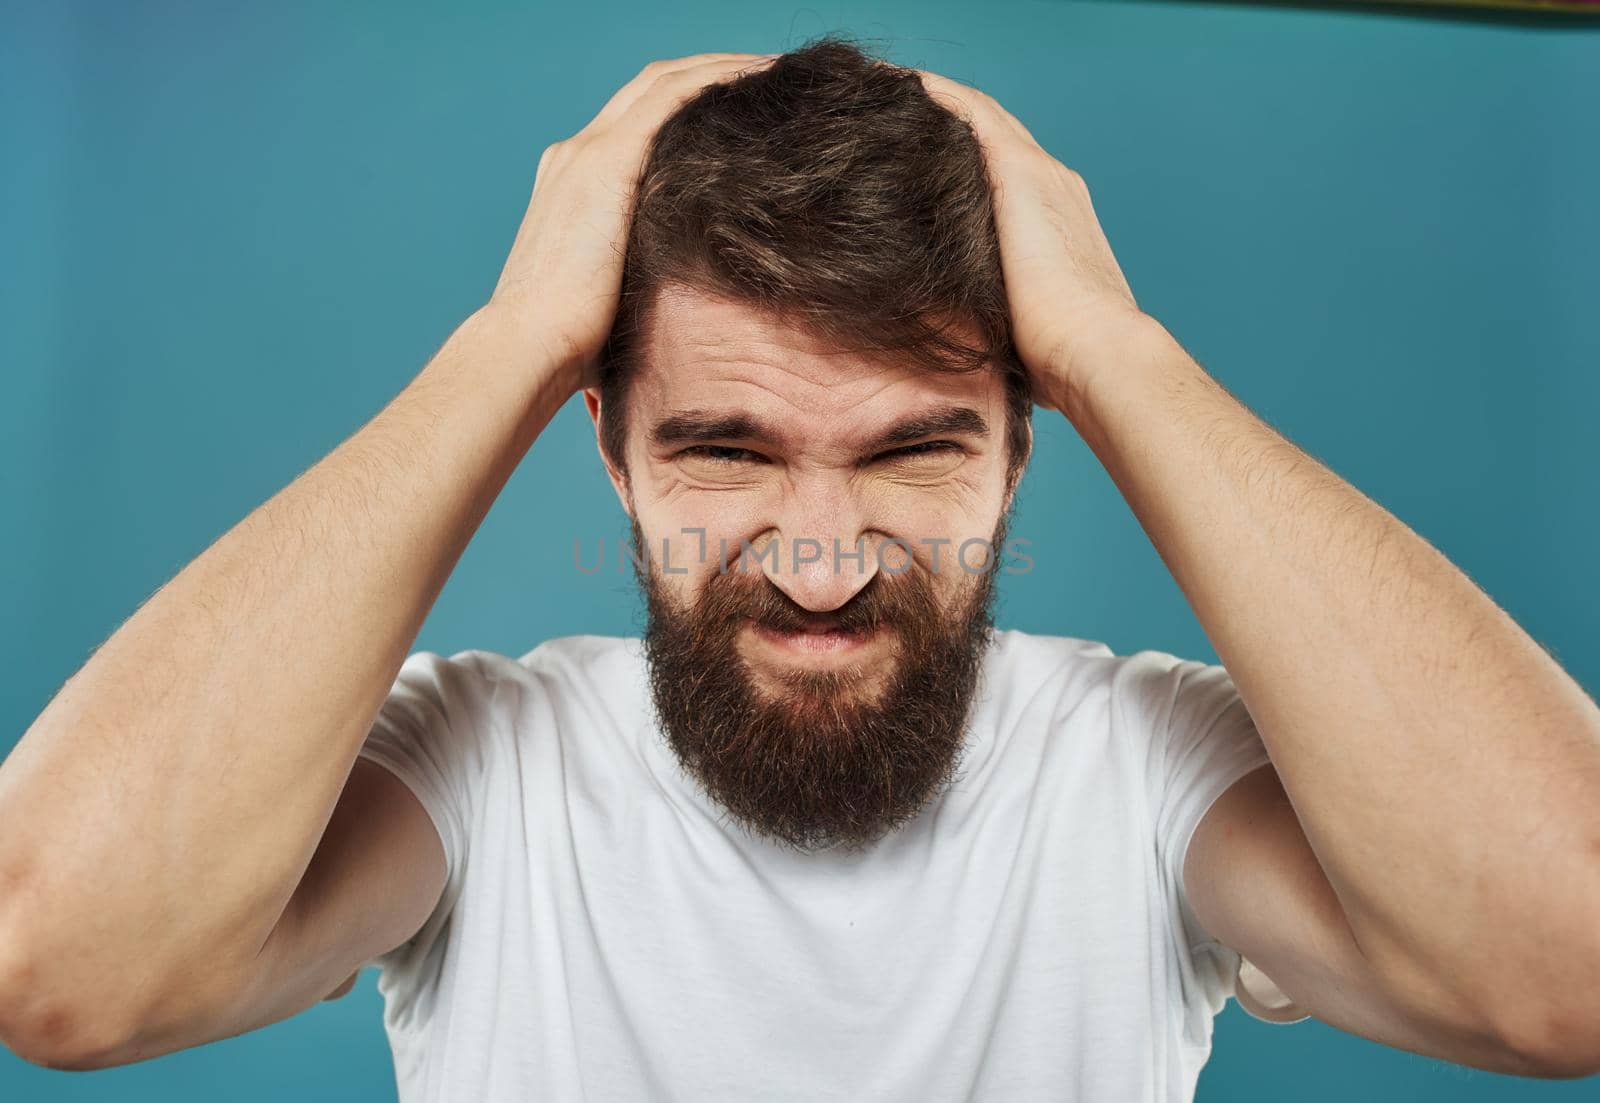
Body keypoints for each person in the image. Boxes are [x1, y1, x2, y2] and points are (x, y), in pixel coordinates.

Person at [2, 34, 1598, 1102]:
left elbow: (1568, 955)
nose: (824, 564)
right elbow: (51, 961)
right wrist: (508, 343)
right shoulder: (480, 771)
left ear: (1024, 447)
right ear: (609, 447)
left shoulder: (1140, 770)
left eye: (916, 453)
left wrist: (1117, 352)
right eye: (727, 452)